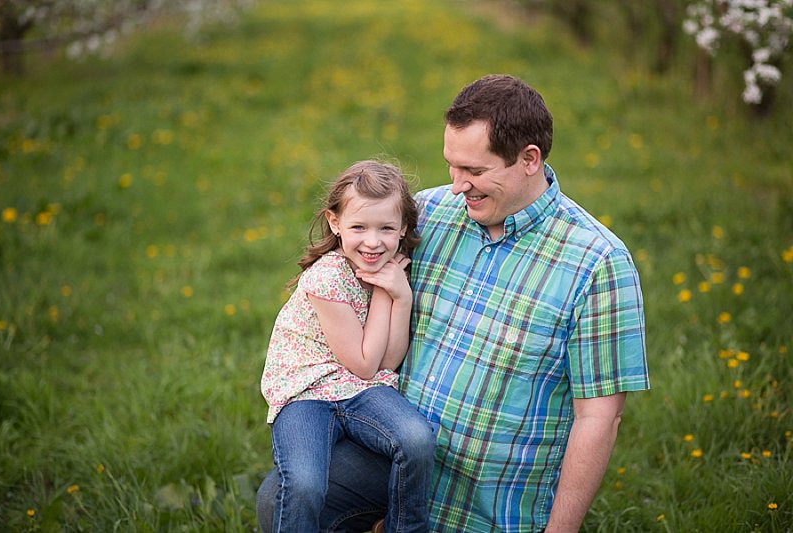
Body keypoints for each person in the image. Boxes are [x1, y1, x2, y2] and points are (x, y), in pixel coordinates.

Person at [257, 75, 650, 532]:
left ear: (529, 159)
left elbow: (599, 416)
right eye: (452, 167)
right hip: (397, 455)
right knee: (278, 498)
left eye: (476, 172)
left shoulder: (598, 263)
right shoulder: (429, 214)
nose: (458, 186)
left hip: (492, 495)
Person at [259, 160, 435, 533]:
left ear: (403, 228)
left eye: (386, 228)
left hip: (361, 390)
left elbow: (388, 361)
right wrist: (387, 294)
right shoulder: (325, 279)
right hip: (307, 393)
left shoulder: (386, 271)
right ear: (335, 223)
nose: (373, 242)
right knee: (304, 482)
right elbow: (365, 363)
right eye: (359, 227)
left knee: (417, 440)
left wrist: (399, 296)